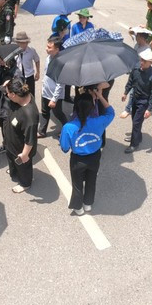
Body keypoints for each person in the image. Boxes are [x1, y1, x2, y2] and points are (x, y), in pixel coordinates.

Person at [60, 86, 114, 215]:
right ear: (92, 108)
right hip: (95, 156)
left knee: (77, 184)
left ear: (76, 109)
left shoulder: (69, 127)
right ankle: (88, 203)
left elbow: (64, 148)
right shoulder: (100, 122)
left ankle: (78, 208)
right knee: (92, 180)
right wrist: (100, 96)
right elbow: (111, 112)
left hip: (78, 159)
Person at [2, 77, 39, 193]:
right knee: (11, 159)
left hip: (20, 148)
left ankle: (25, 183)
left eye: (7, 93)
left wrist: (24, 154)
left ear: (13, 95)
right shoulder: (22, 96)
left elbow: (30, 139)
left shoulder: (29, 116)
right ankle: (13, 171)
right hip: (11, 142)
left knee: (24, 167)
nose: (6, 95)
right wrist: (8, 85)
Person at [122, 50, 152, 154]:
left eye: (144, 60)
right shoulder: (136, 69)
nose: (141, 62)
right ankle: (137, 137)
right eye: (141, 59)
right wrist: (125, 92)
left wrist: (149, 109)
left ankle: (134, 144)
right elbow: (130, 81)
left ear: (150, 62)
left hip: (144, 102)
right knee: (135, 120)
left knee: (136, 122)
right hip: (135, 98)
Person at [38, 37, 67, 137]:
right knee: (45, 112)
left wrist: (54, 99)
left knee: (58, 114)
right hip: (46, 91)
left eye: (50, 47)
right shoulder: (48, 58)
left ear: (57, 49)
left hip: (54, 95)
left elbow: (60, 84)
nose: (47, 49)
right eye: (47, 46)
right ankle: (42, 131)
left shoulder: (60, 63)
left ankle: (67, 128)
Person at [14, 31, 40, 96]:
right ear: (17, 43)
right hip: (17, 77)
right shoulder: (14, 53)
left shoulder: (31, 51)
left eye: (25, 43)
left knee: (31, 95)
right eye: (21, 43)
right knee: (19, 96)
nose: (23, 44)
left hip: (29, 77)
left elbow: (37, 60)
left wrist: (38, 72)